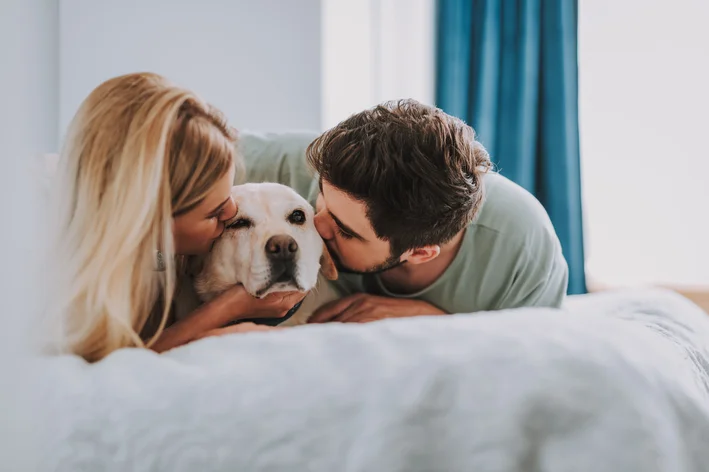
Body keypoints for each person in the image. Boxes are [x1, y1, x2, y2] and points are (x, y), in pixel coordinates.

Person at [45, 72, 303, 362]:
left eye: (228, 196)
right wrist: (228, 309)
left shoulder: (158, 254)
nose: (231, 212)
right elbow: (111, 362)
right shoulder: (51, 274)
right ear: (150, 222)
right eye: (214, 213)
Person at [241, 99, 568, 323]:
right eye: (320, 199)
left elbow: (532, 366)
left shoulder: (523, 252)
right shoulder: (292, 167)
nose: (316, 224)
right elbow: (194, 144)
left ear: (421, 252)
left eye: (344, 230)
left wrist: (437, 324)